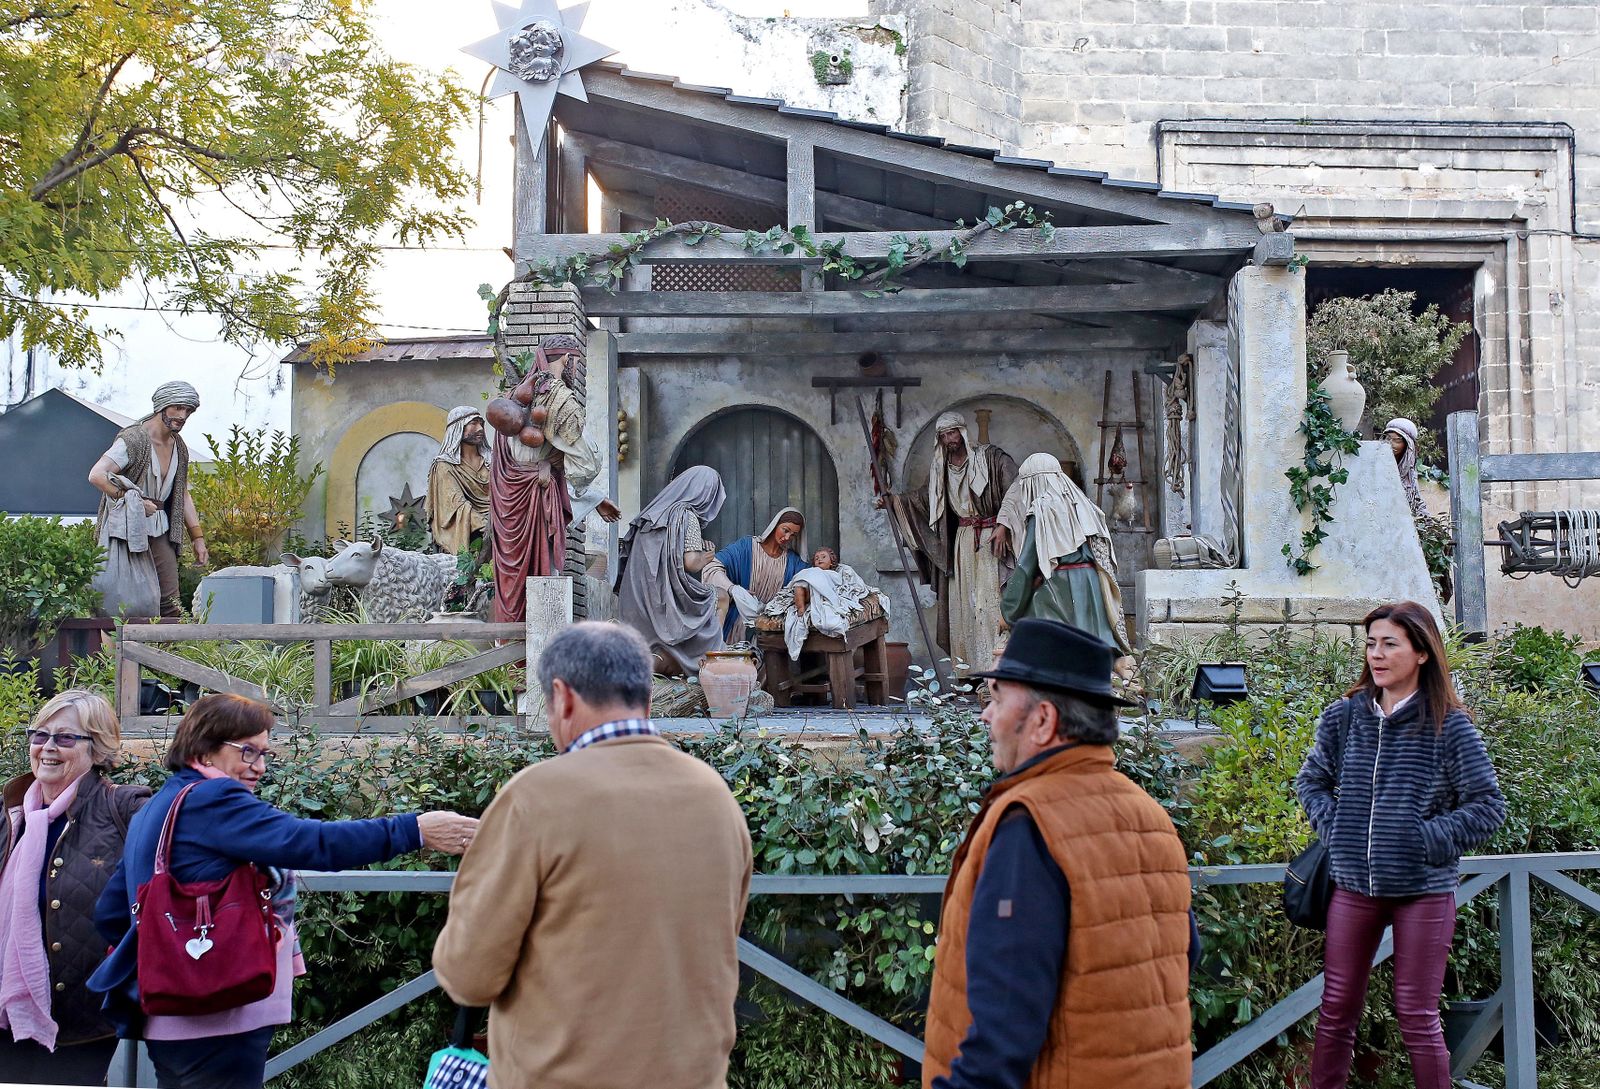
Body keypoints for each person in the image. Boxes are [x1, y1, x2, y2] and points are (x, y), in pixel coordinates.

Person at [90, 694, 478, 1089]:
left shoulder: (159, 806)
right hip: (218, 1010)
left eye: (264, 754)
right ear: (205, 751)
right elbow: (310, 842)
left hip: (168, 1015)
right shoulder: (214, 799)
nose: (259, 767)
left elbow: (110, 911)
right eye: (247, 752)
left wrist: (168, 956)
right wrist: (414, 830)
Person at [434, 622, 752, 1089]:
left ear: (562, 697)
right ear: (645, 698)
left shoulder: (535, 798)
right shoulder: (715, 797)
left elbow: (470, 975)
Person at [923, 618, 1194, 1089]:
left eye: (997, 698)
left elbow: (1002, 1031)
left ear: (1044, 721)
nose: (986, 715)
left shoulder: (1030, 822)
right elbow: (1175, 959)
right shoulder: (1149, 814)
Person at [1296, 601, 1505, 1089]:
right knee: (1336, 1009)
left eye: (1390, 644)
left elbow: (1488, 806)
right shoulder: (1345, 716)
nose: (1376, 654)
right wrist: (1339, 831)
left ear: (1423, 652)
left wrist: (1422, 839)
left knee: (1416, 1014)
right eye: (1371, 643)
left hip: (1423, 890)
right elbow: (1312, 783)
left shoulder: (1449, 725)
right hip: (1353, 886)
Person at [0, 691, 150, 1085]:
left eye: (66, 738)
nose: (48, 747)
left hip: (82, 1017)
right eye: (39, 735)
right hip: (4, 1014)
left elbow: (187, 843)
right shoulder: (11, 815)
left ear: (97, 749)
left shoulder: (126, 808)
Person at [882, 411, 1016, 674]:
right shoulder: (941, 469)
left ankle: (995, 669)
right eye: (943, 436)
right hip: (963, 541)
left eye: (952, 433)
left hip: (991, 537)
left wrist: (1004, 524)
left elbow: (1015, 489)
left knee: (990, 602)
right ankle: (967, 674)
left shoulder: (990, 458)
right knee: (963, 605)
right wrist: (895, 502)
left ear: (962, 432)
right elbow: (923, 500)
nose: (949, 439)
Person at [89, 381, 209, 618]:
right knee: (126, 599)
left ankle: (167, 655)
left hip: (161, 527)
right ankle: (120, 653)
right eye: (177, 407)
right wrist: (132, 501)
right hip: (126, 529)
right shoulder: (134, 439)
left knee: (170, 601)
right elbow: (97, 475)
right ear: (162, 407)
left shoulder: (179, 447)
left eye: (188, 410)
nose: (182, 415)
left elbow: (181, 493)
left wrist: (198, 538)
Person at [490, 340, 588, 623]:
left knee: (513, 578)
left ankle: (509, 657)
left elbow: (503, 458)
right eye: (577, 362)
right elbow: (584, 463)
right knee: (541, 574)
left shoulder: (511, 399)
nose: (577, 369)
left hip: (509, 501)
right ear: (567, 359)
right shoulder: (559, 398)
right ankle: (530, 658)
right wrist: (552, 468)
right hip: (535, 495)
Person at [996, 453, 1131, 656]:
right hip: (1092, 585)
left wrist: (1008, 610)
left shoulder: (1041, 509)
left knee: (1033, 632)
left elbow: (1025, 567)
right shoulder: (1083, 504)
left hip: (1060, 588)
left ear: (1033, 482)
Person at [615, 465, 727, 675]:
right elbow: (691, 562)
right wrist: (707, 556)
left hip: (636, 603)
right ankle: (712, 662)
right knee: (720, 597)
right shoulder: (686, 516)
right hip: (664, 604)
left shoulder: (651, 515)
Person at [702, 507, 810, 641]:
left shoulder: (793, 562)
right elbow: (712, 566)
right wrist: (732, 589)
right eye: (785, 530)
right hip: (739, 627)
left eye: (793, 535)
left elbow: (810, 583)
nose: (787, 537)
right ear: (775, 525)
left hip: (771, 629)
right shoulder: (747, 547)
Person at [426, 406, 492, 558]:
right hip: (473, 531)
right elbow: (455, 504)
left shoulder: (492, 459)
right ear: (458, 427)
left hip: (498, 521)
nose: (480, 428)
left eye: (481, 423)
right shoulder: (444, 465)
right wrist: (488, 526)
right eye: (473, 423)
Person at [1383, 418, 1432, 521]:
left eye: (1397, 440)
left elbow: (1416, 499)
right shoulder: (1379, 466)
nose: (1391, 444)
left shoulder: (1409, 473)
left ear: (1407, 444)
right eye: (1388, 438)